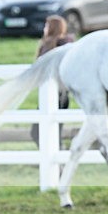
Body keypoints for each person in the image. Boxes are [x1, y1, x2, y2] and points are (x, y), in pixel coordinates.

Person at [30, 15, 75, 146]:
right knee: (50, 131)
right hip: (56, 95)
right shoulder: (61, 45)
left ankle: (58, 155)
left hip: (56, 95)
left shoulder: (54, 45)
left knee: (42, 132)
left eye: (47, 26)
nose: (44, 29)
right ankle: (57, 154)